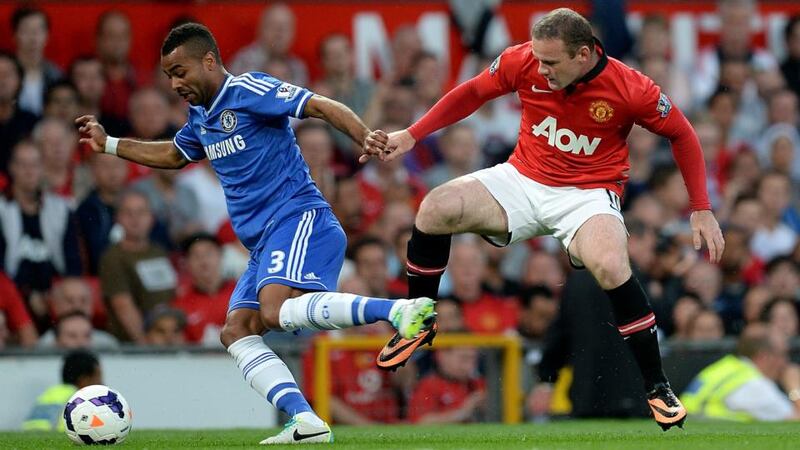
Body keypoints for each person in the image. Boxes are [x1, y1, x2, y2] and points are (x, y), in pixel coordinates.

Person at [75, 22, 434, 444]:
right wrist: (110, 143)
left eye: (180, 71)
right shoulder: (200, 116)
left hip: (300, 217)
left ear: (209, 61)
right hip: (264, 241)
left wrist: (365, 137)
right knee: (237, 330)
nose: (174, 84)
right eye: (169, 75)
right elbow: (174, 153)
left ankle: (398, 312)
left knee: (272, 310)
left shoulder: (250, 89)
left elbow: (319, 105)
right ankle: (306, 422)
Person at [369, 8, 726, 430]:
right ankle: (419, 320)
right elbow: (472, 92)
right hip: (522, 178)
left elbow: (682, 133)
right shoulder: (524, 59)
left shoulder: (632, 88)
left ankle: (656, 385)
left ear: (583, 54)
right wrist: (412, 134)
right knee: (434, 207)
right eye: (538, 59)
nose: (540, 69)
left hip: (588, 194)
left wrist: (701, 207)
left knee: (612, 266)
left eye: (551, 62)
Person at [681, 324, 800, 421]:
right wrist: (795, 387)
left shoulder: (725, 366)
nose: (786, 362)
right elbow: (795, 420)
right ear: (764, 356)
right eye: (783, 354)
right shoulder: (755, 385)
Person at [22, 350, 102, 431]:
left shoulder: (50, 392)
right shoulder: (80, 398)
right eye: (98, 377)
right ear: (84, 379)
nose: (101, 383)